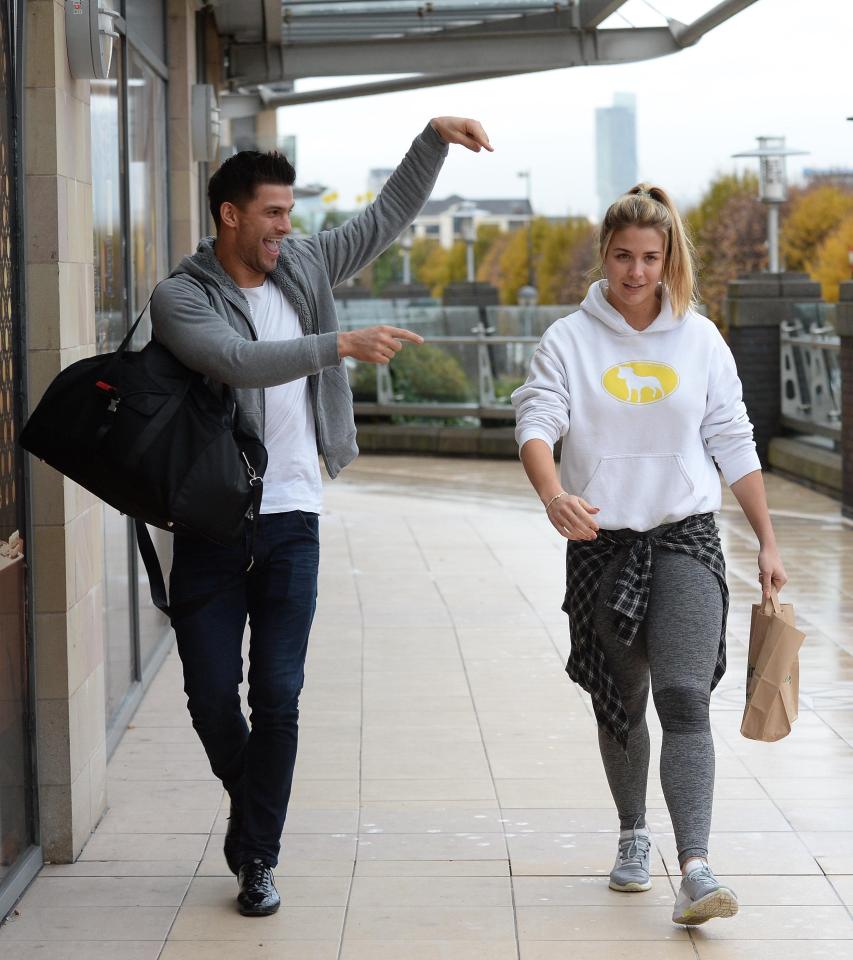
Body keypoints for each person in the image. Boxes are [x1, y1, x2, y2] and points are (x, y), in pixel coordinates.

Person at [150, 116, 492, 916]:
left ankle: (257, 856)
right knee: (209, 696)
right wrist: (336, 344)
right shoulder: (181, 296)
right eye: (271, 212)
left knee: (277, 695)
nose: (286, 226)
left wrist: (432, 140)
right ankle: (256, 807)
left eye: (288, 212)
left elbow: (382, 218)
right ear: (230, 215)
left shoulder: (301, 264)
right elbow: (236, 363)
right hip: (210, 522)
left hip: (292, 515)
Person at [511, 183, 787, 926]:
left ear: (669, 261)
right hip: (601, 543)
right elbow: (536, 421)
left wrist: (765, 539)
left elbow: (732, 438)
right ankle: (633, 834)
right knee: (622, 700)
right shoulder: (568, 339)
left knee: (683, 697)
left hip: (687, 537)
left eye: (650, 257)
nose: (635, 271)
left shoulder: (699, 339)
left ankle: (695, 867)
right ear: (604, 256)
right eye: (623, 256)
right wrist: (551, 494)